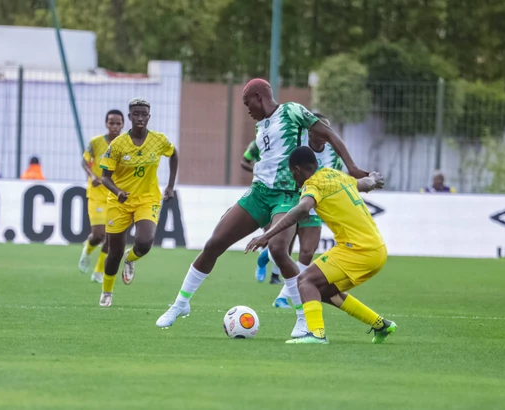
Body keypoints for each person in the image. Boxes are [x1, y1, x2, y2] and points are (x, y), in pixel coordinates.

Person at [156, 79, 367, 338]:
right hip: (258, 194)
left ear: (258, 96)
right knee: (214, 244)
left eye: (247, 103)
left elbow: (328, 134)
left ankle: (302, 318)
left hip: (287, 195)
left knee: (279, 250)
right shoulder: (261, 125)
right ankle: (180, 304)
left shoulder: (291, 111)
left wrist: (353, 167)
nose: (247, 110)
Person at [246, 146, 396, 344]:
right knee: (323, 291)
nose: (295, 180)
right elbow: (365, 183)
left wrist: (268, 235)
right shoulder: (336, 175)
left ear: (297, 170)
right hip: (376, 250)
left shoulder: (312, 185)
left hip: (358, 249)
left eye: (293, 174)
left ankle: (317, 334)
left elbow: (303, 209)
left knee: (305, 280)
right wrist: (375, 179)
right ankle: (381, 325)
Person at [98, 98, 178, 307]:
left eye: (144, 114)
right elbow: (104, 176)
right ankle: (107, 291)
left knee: (144, 242)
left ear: (149, 117)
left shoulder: (159, 140)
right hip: (119, 201)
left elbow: (174, 154)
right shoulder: (117, 145)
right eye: (136, 114)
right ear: (129, 117)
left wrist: (170, 186)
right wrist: (117, 191)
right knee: (113, 252)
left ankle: (131, 258)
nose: (140, 118)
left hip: (147, 199)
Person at [271, 112, 345, 308]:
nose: (324, 135)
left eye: (327, 132)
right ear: (310, 131)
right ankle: (265, 259)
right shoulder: (298, 144)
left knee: (306, 252)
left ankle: (283, 296)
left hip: (315, 204)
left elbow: (337, 177)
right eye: (320, 131)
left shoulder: (333, 153)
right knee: (280, 248)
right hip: (294, 201)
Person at [78, 109, 125, 283]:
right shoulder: (96, 143)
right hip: (97, 194)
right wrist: (92, 175)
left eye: (118, 123)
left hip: (114, 195)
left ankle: (98, 271)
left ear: (122, 125)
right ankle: (87, 249)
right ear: (106, 124)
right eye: (111, 123)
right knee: (98, 234)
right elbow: (84, 161)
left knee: (111, 236)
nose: (114, 126)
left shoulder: (125, 145)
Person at [240, 140, 281, 285]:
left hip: (285, 193)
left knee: (282, 239)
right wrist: (258, 171)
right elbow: (244, 161)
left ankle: (274, 274)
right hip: (262, 193)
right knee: (271, 235)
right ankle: (263, 261)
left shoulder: (286, 142)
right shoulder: (256, 144)